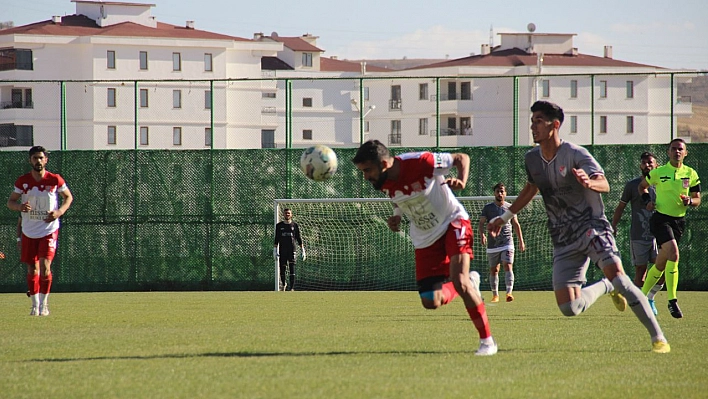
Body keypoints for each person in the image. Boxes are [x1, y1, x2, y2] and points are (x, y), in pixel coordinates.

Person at [488, 101, 670, 353]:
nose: (533, 125)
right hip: (563, 237)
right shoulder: (532, 158)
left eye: (538, 120)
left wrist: (589, 182)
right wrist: (506, 216)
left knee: (619, 277)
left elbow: (604, 184)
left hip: (592, 226)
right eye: (532, 120)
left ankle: (658, 337)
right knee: (569, 307)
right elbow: (531, 187)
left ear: (555, 125)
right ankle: (605, 287)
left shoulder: (575, 154)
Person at [352, 140, 498, 356]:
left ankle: (487, 342)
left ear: (383, 163)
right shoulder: (382, 182)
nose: (365, 177)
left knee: (459, 280)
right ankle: (471, 281)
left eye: (367, 170)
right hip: (425, 235)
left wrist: (462, 180)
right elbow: (398, 198)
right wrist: (397, 216)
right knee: (431, 301)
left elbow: (461, 158)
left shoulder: (421, 161)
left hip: (452, 221)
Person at [7, 146, 73, 316]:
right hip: (29, 230)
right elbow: (11, 202)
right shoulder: (23, 181)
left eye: (41, 158)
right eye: (35, 158)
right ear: (30, 160)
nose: (38, 161)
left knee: (45, 266)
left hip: (49, 229)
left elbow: (68, 197)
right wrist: (20, 206)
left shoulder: (55, 179)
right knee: (32, 268)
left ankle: (44, 304)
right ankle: (34, 305)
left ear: (46, 160)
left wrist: (59, 212)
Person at [639, 138, 701, 319]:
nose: (677, 152)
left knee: (661, 263)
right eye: (673, 149)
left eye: (680, 149)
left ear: (686, 153)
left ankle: (643, 297)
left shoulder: (691, 173)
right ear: (668, 152)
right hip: (660, 220)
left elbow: (697, 199)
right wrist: (647, 201)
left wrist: (690, 201)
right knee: (674, 254)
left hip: (678, 222)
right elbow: (642, 187)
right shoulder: (659, 172)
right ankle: (672, 300)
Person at [610, 152, 664, 315]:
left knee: (662, 269)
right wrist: (613, 225)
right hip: (639, 234)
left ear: (656, 165)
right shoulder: (632, 185)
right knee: (641, 271)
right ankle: (638, 303)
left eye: (650, 162)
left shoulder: (662, 183)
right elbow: (621, 207)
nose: (647, 165)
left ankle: (650, 298)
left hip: (660, 234)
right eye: (644, 163)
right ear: (640, 166)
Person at [478, 182, 526, 303]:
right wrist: (482, 234)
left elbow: (516, 224)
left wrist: (521, 241)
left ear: (505, 193)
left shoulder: (510, 207)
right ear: (494, 193)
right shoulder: (488, 208)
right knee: (494, 269)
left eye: (502, 191)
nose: (500, 194)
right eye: (497, 191)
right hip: (492, 244)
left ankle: (509, 293)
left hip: (507, 242)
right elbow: (481, 223)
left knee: (507, 265)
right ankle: (495, 295)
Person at [273, 208, 305, 291]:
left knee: (292, 269)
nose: (287, 214)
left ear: (291, 214)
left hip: (292, 250)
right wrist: (275, 249)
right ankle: (284, 284)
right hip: (282, 250)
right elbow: (277, 238)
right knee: (282, 269)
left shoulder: (295, 225)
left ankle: (291, 288)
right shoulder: (279, 226)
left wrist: (302, 249)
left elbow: (298, 238)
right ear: (283, 214)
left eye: (289, 213)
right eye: (286, 213)